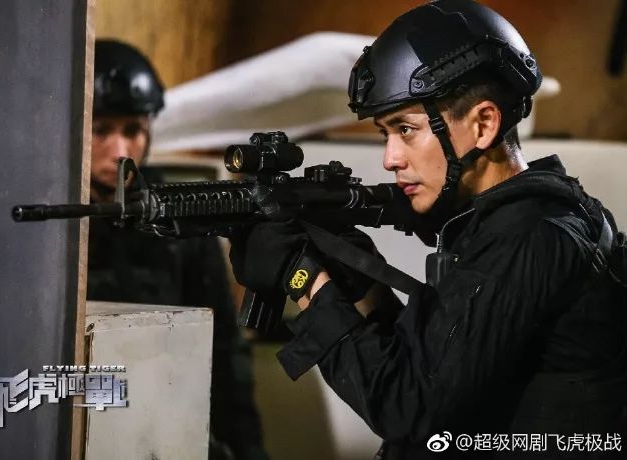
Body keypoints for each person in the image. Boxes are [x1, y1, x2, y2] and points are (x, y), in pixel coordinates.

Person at [228, 1, 627, 458]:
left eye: (406, 129)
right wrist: (353, 273)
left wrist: (304, 279)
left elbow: (410, 409)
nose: (390, 158)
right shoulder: (520, 221)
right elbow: (430, 365)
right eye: (385, 133)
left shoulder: (527, 237)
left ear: (483, 124)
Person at [88, 39, 268, 460]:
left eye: (132, 131)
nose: (120, 152)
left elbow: (223, 349)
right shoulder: (50, 221)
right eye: (101, 130)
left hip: (164, 421)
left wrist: (247, 450)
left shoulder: (179, 216)